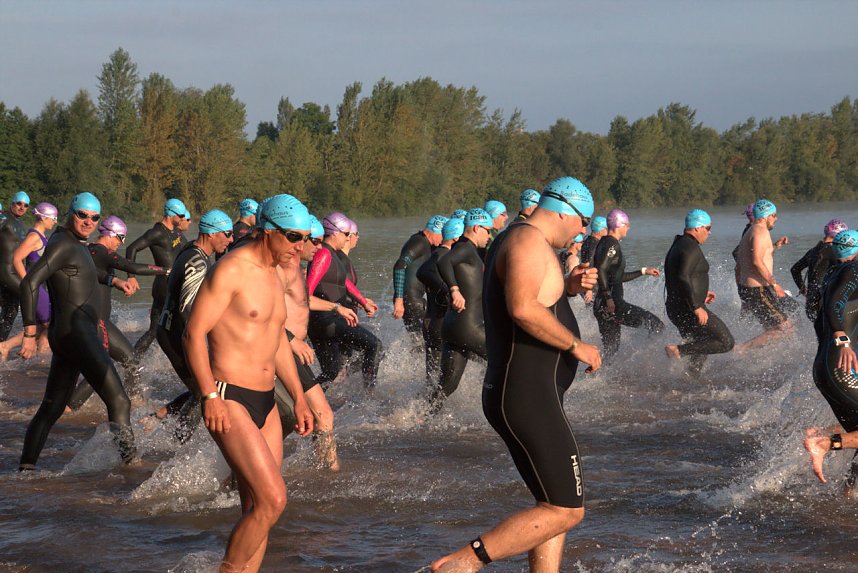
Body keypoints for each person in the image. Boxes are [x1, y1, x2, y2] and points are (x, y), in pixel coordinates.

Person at [431, 176, 601, 573]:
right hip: (527, 395)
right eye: (583, 221)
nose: (584, 230)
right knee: (567, 510)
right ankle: (463, 562)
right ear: (563, 210)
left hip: (530, 393)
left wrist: (570, 286)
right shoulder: (525, 241)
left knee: (552, 504)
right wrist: (576, 346)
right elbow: (523, 308)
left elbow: (540, 297)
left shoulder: (528, 242)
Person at [184, 193, 314, 573]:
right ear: (267, 231)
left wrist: (300, 398)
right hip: (230, 396)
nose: (300, 247)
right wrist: (209, 396)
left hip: (266, 401)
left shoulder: (278, 273)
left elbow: (275, 341)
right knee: (274, 500)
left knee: (259, 510)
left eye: (304, 238)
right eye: (293, 237)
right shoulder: (231, 269)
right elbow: (193, 334)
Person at [17, 192, 135, 470]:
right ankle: (132, 467)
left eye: (94, 217)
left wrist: (115, 282)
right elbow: (29, 284)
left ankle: (26, 469)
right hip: (78, 335)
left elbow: (82, 276)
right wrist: (30, 333)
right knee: (119, 401)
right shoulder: (64, 244)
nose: (88, 221)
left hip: (68, 335)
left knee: (52, 407)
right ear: (71, 212)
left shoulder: (75, 244)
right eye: (82, 215)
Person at [65, 215, 168, 409]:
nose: (122, 243)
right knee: (106, 366)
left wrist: (118, 282)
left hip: (96, 320)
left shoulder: (89, 251)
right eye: (121, 238)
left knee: (127, 360)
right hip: (97, 321)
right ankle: (70, 407)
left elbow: (99, 276)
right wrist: (166, 270)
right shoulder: (101, 251)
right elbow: (132, 266)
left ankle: (134, 400)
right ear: (111, 234)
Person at [151, 210, 234, 442]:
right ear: (212, 233)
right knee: (205, 391)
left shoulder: (189, 250)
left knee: (204, 385)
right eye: (227, 234)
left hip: (169, 329)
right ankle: (179, 444)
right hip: (176, 333)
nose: (230, 240)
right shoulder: (197, 261)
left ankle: (161, 414)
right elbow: (187, 310)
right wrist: (197, 343)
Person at [281, 214, 355, 471]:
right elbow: (262, 311)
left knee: (308, 415)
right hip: (282, 350)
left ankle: (324, 468)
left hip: (289, 349)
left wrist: (336, 307)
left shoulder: (294, 268)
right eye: (315, 242)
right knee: (321, 414)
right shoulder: (283, 269)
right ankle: (330, 472)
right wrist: (291, 339)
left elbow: (304, 301)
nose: (318, 248)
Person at [803, 230, 858, 491]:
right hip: (839, 367)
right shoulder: (853, 271)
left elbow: (819, 319)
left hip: (826, 367)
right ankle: (823, 442)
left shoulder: (832, 274)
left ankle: (849, 494)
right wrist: (843, 341)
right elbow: (834, 305)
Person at [307, 212, 381, 389]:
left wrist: (363, 302)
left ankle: (305, 402)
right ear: (334, 233)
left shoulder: (333, 255)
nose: (348, 238)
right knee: (374, 345)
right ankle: (368, 395)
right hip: (326, 320)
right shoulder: (323, 254)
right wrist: (336, 307)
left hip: (324, 321)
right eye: (346, 234)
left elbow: (346, 283)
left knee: (331, 372)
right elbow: (305, 293)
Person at [663, 210, 735, 377]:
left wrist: (701, 292)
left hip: (677, 308)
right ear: (697, 228)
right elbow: (682, 276)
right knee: (726, 342)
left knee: (701, 344)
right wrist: (696, 306)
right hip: (688, 309)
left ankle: (690, 380)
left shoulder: (680, 243)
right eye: (707, 228)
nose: (709, 232)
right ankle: (678, 350)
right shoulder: (691, 247)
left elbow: (678, 276)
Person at [433, 209, 492, 405]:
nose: (489, 235)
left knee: (447, 387)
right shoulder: (465, 248)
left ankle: (418, 418)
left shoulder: (469, 251)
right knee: (507, 362)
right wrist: (454, 289)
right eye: (487, 231)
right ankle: (507, 410)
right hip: (469, 328)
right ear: (477, 228)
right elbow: (443, 261)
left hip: (453, 327)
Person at [592, 208, 664, 359]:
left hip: (602, 306)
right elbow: (601, 269)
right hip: (612, 305)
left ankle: (600, 378)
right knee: (656, 325)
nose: (629, 228)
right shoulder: (612, 244)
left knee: (611, 352)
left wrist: (643, 271)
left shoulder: (604, 242)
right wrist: (609, 298)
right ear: (619, 224)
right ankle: (647, 362)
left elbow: (616, 277)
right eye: (627, 224)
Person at [126, 197, 187, 367]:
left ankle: (135, 360)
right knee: (171, 326)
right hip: (163, 285)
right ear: (170, 214)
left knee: (156, 329)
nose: (182, 219)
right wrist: (131, 275)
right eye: (181, 215)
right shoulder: (158, 232)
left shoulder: (175, 232)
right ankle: (133, 360)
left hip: (173, 283)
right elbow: (132, 248)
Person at [734, 199, 798, 351]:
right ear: (766, 215)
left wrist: (775, 246)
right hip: (758, 290)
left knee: (771, 330)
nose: (776, 218)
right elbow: (756, 261)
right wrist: (775, 284)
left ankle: (756, 359)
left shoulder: (751, 231)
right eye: (774, 215)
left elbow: (743, 263)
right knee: (786, 329)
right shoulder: (761, 232)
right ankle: (740, 350)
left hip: (749, 289)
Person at [0, 202, 58, 359]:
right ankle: (7, 347)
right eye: (53, 218)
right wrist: (28, 283)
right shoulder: (34, 236)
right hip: (34, 288)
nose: (55, 221)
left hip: (39, 287)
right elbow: (17, 259)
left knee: (45, 325)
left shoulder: (42, 236)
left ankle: (38, 358)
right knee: (49, 324)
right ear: (43, 218)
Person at [417, 217, 464, 389]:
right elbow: (422, 272)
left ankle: (423, 410)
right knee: (439, 378)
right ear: (455, 238)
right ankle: (426, 412)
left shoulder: (439, 254)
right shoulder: (442, 255)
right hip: (437, 321)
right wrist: (448, 290)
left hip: (433, 320)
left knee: (433, 377)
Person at [392, 214, 446, 336]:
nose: (443, 239)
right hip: (411, 300)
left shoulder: (426, 244)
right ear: (435, 230)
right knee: (426, 340)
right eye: (443, 235)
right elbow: (400, 266)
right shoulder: (419, 242)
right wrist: (399, 300)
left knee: (420, 341)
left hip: (414, 300)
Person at [791, 218, 846, 322]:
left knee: (821, 332)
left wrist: (803, 289)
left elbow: (794, 269)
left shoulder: (813, 251)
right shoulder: (834, 252)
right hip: (825, 300)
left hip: (811, 301)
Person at [0, 191, 31, 341]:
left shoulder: (21, 224)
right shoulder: (4, 217)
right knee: (30, 295)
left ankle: (1, 345)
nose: (22, 207)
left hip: (14, 273)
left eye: (26, 205)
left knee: (10, 311)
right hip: (5, 272)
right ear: (12, 203)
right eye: (19, 203)